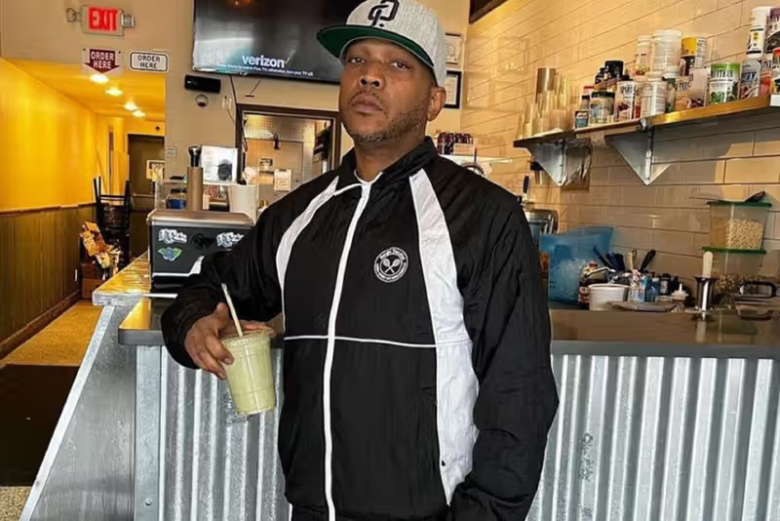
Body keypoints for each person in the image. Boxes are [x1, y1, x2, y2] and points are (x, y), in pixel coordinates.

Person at [161, 1, 559, 519]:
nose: (370, 75)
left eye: (398, 64)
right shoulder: (298, 215)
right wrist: (194, 322)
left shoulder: (484, 218)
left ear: (435, 100)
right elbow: (207, 290)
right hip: (311, 508)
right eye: (357, 60)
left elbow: (520, 392)